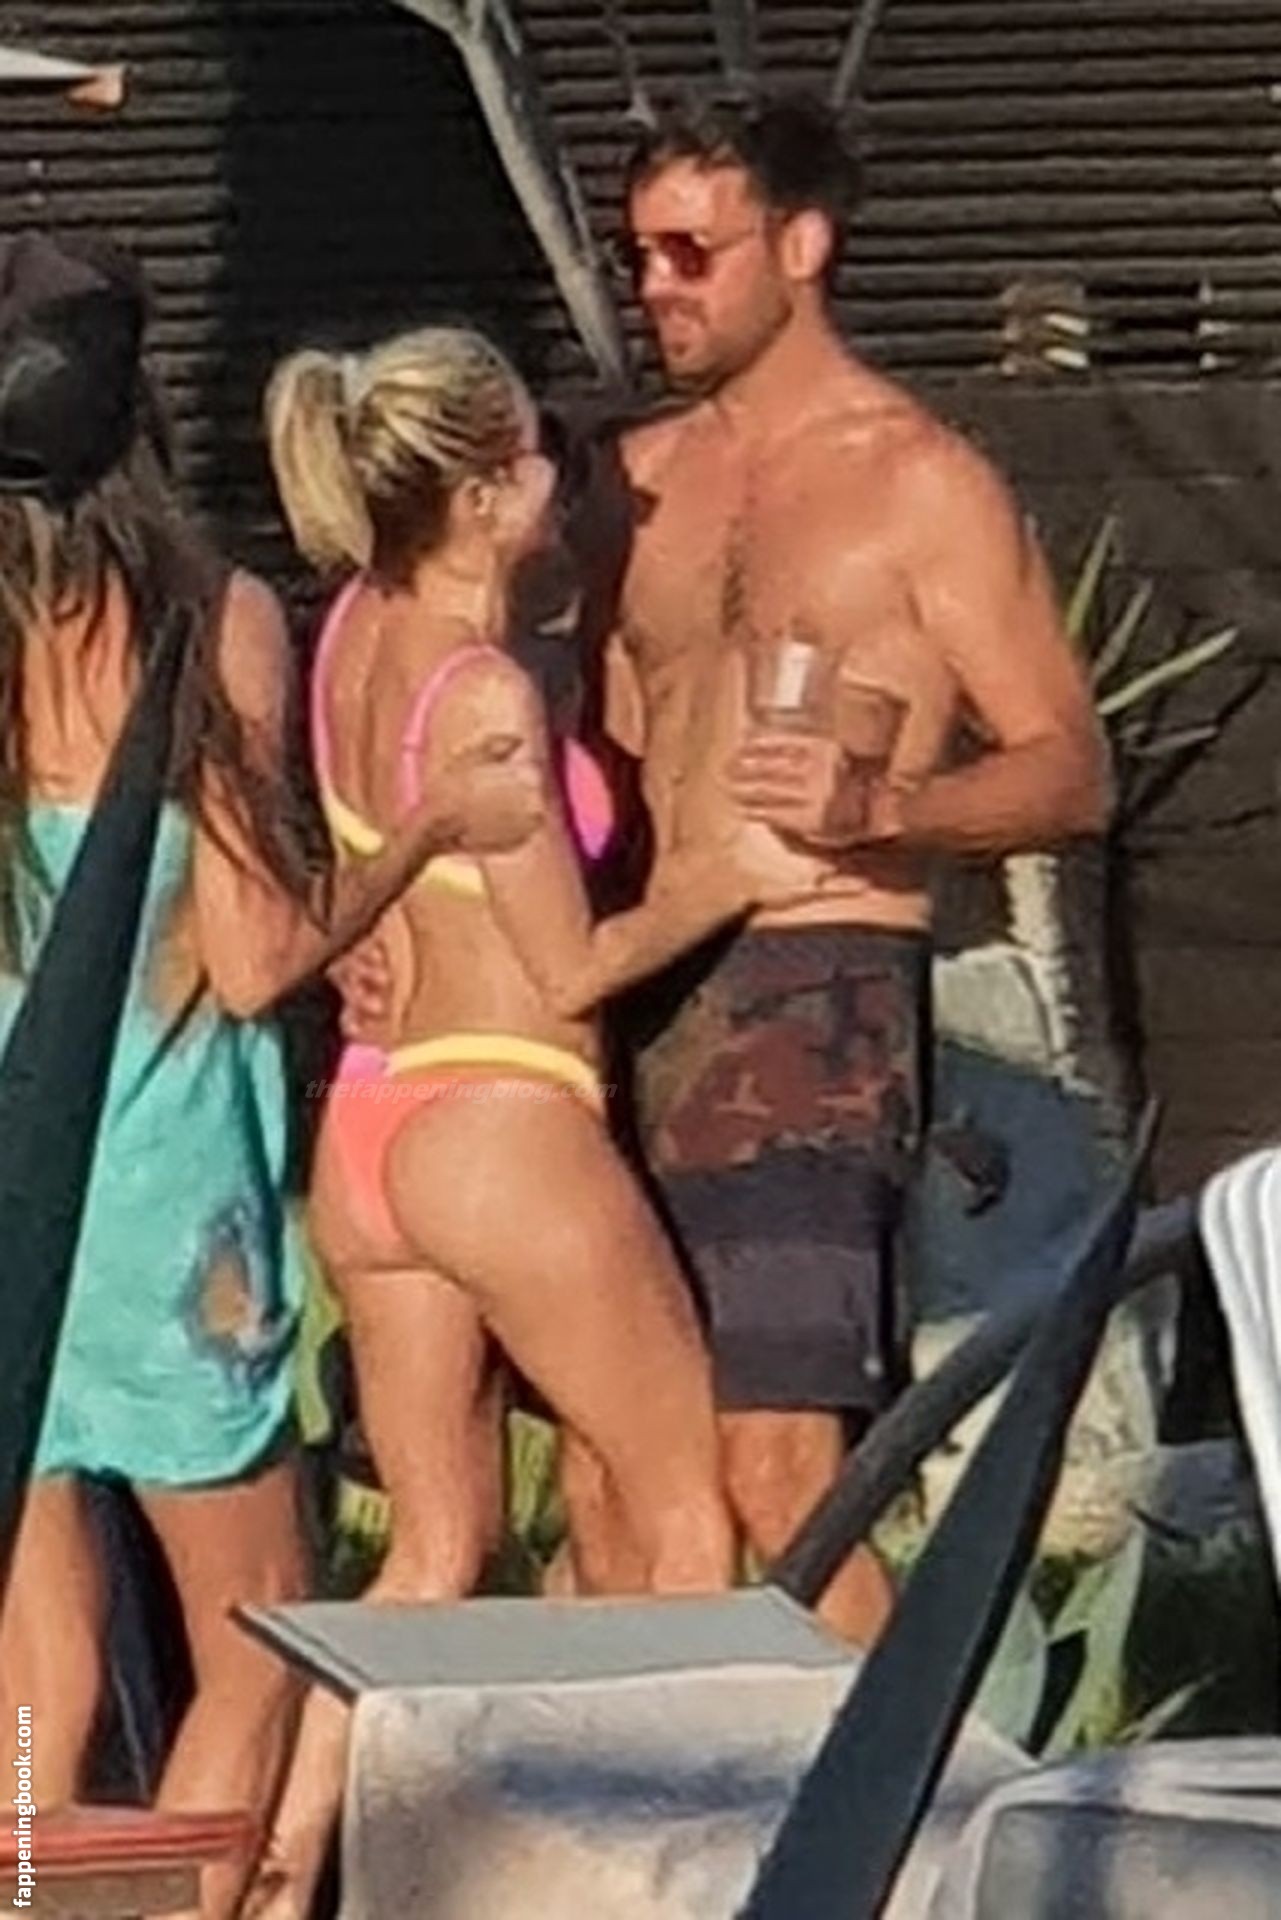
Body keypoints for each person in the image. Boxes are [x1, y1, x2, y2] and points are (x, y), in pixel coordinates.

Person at [0, 235, 544, 1920]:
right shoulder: (205, 617)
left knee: (35, 1677)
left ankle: (26, 1891)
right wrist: (425, 837)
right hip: (164, 1203)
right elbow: (250, 959)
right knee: (252, 1641)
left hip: (13, 1191)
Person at [252, 322, 805, 1918]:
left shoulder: (349, 633)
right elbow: (567, 967)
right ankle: (679, 1879)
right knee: (685, 1514)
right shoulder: (479, 687)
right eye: (536, 453)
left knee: (431, 1553)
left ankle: (281, 1876)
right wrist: (725, 875)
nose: (562, 471)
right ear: (488, 493)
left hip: (372, 1129)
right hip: (500, 1112)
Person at [557, 89, 1113, 1645]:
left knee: (777, 1468)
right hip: (636, 970)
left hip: (814, 981)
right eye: (638, 254)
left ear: (801, 246)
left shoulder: (917, 479)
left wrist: (883, 803)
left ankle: (899, 1777)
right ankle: (645, 1783)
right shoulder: (629, 483)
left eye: (691, 251)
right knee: (618, 1469)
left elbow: (1070, 766)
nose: (655, 285)